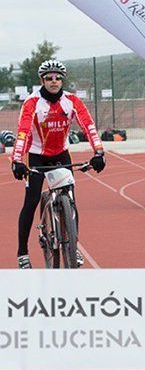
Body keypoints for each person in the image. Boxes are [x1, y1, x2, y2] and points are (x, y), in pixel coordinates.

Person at [11, 60, 106, 269]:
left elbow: (88, 125)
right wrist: (17, 160)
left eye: (58, 77)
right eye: (49, 78)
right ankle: (23, 253)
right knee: (32, 200)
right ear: (41, 80)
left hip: (61, 155)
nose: (54, 81)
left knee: (70, 199)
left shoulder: (71, 100)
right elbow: (23, 132)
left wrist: (98, 152)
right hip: (36, 155)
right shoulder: (32, 102)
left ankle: (73, 246)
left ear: (63, 79)